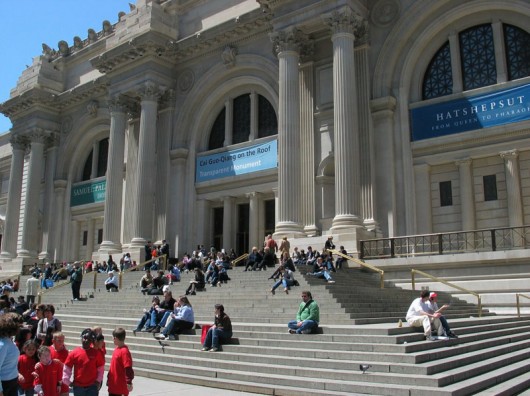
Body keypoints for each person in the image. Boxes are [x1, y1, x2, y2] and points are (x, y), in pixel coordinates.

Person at [62, 328, 105, 396]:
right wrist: (67, 381)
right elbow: (67, 366)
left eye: (89, 339)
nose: (86, 340)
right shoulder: (74, 353)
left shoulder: (96, 353)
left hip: (92, 387)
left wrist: (98, 380)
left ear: (91, 341)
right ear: (81, 338)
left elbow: (101, 368)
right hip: (78, 387)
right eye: (85, 338)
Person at [0, 313, 22, 396]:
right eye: (19, 325)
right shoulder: (2, 345)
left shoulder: (9, 341)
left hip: (12, 381)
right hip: (4, 384)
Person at [107, 328, 134, 396]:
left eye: (113, 338)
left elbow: (128, 368)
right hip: (113, 386)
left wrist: (128, 382)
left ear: (115, 338)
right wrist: (108, 378)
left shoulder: (124, 351)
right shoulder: (117, 349)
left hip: (120, 389)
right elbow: (112, 367)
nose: (113, 339)